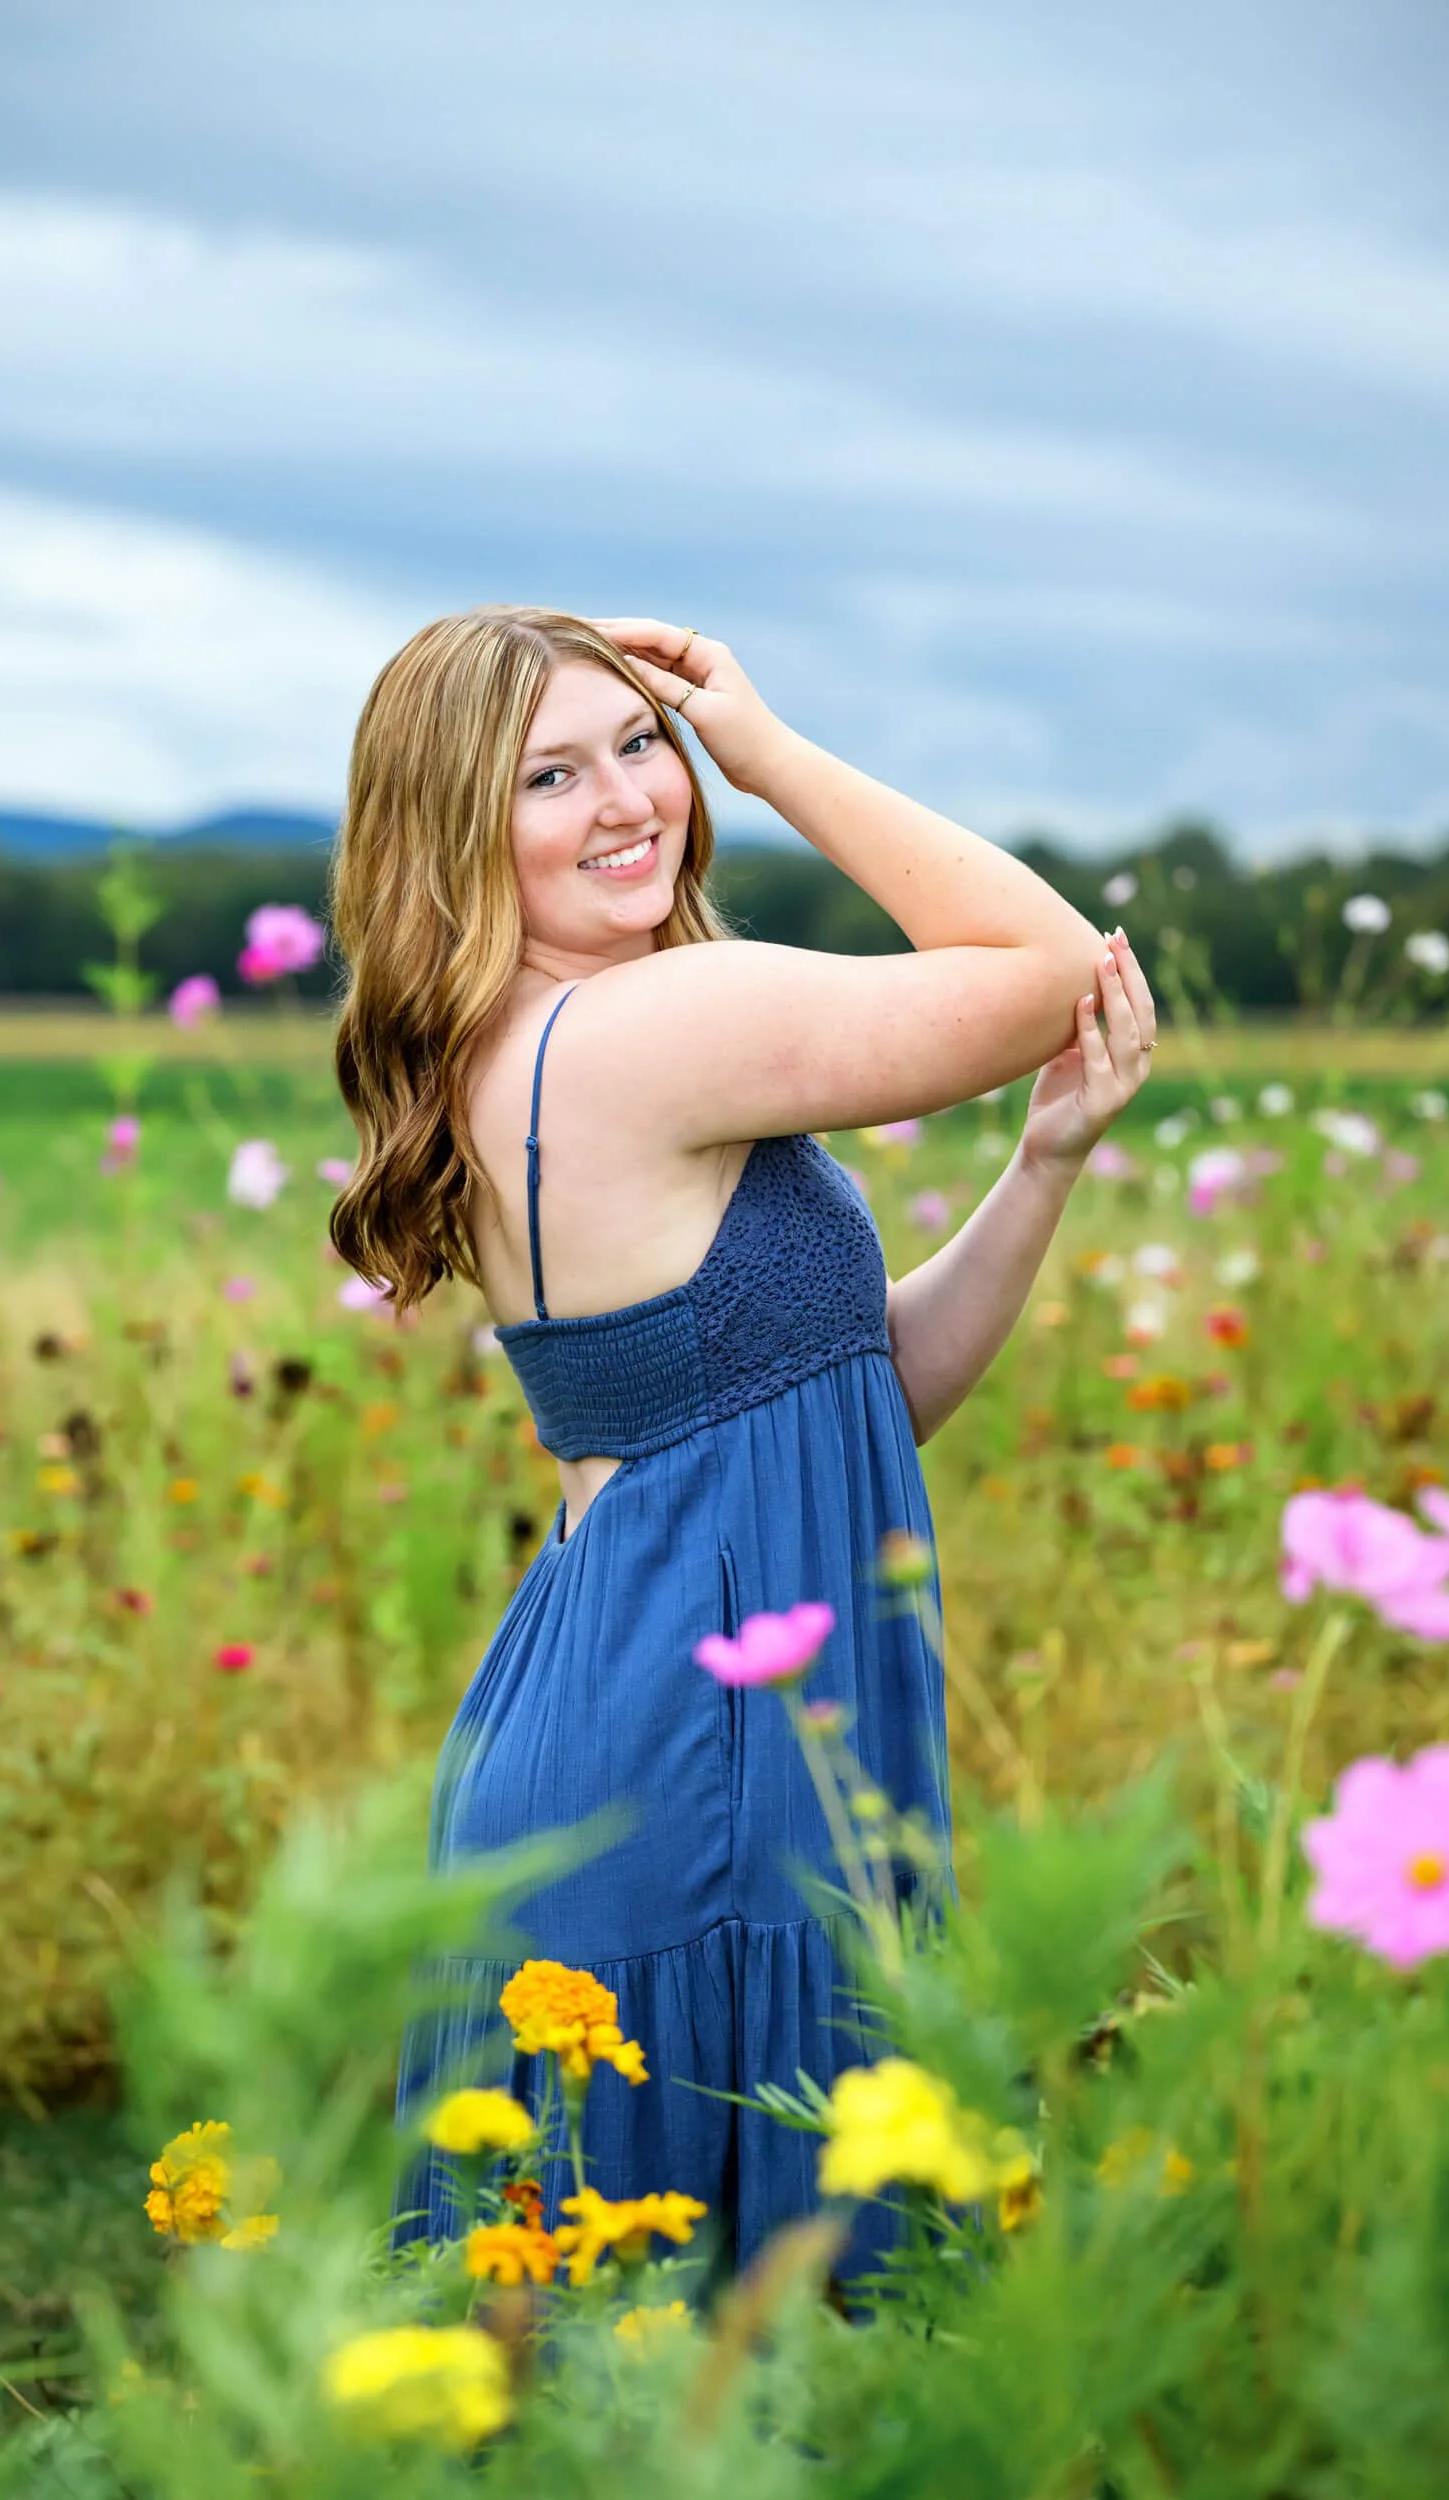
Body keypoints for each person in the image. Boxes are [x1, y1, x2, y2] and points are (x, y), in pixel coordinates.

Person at [328, 605, 1156, 2285]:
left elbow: (857, 1395)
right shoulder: (646, 1029)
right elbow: (1048, 967)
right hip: (695, 1752)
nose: (629, 797)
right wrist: (766, 755)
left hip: (640, 1710)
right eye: (550, 775)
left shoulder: (542, 1039)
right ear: (451, 837)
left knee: (624, 2348)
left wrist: (1042, 1164)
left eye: (644, 744)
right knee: (727, 2317)